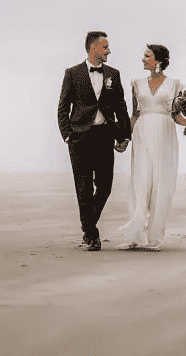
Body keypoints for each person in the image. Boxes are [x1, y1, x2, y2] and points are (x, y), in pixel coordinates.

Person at [57, 31, 132, 251]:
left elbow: (121, 107)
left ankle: (87, 224)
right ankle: (92, 234)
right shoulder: (72, 73)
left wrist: (125, 135)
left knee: (105, 187)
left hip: (104, 136)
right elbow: (63, 107)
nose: (109, 51)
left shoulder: (113, 75)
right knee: (83, 189)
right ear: (93, 48)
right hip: (79, 138)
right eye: (105, 47)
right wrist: (68, 135)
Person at [116, 44, 186, 251]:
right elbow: (134, 114)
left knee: (161, 184)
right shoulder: (136, 83)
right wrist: (124, 138)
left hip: (164, 135)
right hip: (142, 135)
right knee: (139, 183)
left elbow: (176, 115)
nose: (143, 59)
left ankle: (154, 239)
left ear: (158, 60)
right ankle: (136, 235)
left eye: (147, 56)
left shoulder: (175, 85)